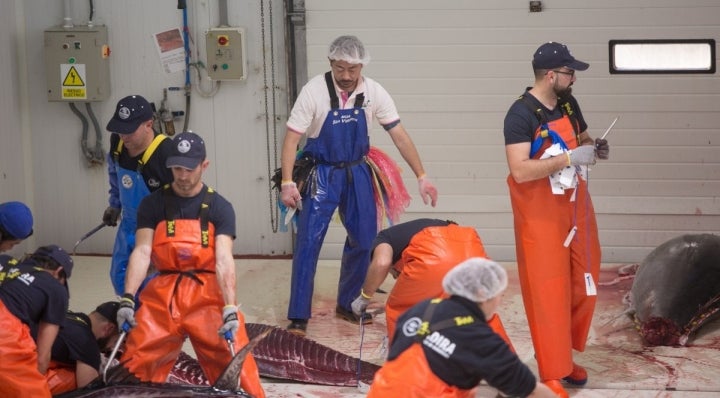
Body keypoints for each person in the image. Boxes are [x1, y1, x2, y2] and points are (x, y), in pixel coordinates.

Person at [280, 35, 438, 335]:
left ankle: (348, 303)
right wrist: (288, 182)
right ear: (331, 63)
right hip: (321, 173)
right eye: (340, 68)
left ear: (362, 65)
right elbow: (291, 139)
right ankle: (299, 315)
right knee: (308, 242)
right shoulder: (313, 91)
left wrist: (421, 175)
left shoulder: (373, 91)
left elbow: (399, 134)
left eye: (353, 69)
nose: (347, 76)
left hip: (357, 171)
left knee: (365, 240)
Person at [115, 132, 265, 398]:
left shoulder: (220, 207)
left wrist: (229, 307)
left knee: (236, 369)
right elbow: (142, 250)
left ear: (204, 165)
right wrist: (128, 299)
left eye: (189, 168)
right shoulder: (152, 204)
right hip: (162, 294)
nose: (182, 176)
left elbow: (223, 259)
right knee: (135, 365)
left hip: (207, 295)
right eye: (176, 168)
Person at [502, 41, 609, 397]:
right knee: (548, 291)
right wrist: (568, 159)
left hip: (575, 205)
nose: (573, 78)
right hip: (540, 215)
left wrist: (593, 148)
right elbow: (519, 171)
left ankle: (565, 355)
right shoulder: (520, 115)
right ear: (551, 75)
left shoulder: (567, 102)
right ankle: (552, 369)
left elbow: (582, 138)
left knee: (586, 279)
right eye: (569, 72)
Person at [367, 258, 557, 398]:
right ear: (484, 294)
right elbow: (529, 389)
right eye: (500, 295)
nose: (500, 300)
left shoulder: (420, 309)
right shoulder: (482, 339)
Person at [349, 218, 511, 346]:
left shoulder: (383, 238)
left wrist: (364, 297)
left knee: (401, 310)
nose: (396, 276)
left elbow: (381, 263)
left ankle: (406, 367)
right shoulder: (417, 230)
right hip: (470, 247)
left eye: (394, 273)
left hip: (434, 250)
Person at [103, 94, 174, 296]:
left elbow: (182, 201)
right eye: (120, 129)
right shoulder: (118, 142)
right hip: (129, 225)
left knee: (156, 285)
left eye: (129, 131)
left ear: (148, 124)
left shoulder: (166, 153)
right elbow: (114, 175)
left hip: (159, 230)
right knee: (121, 278)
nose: (124, 136)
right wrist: (115, 204)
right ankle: (130, 318)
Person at [0, 244, 73, 397]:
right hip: (5, 330)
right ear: (59, 271)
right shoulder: (56, 289)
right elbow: (42, 358)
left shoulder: (5, 260)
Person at [45, 301, 120, 395]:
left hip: (25, 354)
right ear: (109, 328)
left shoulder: (67, 316)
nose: (111, 348)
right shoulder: (87, 341)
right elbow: (91, 394)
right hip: (25, 378)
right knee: (84, 382)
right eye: (115, 342)